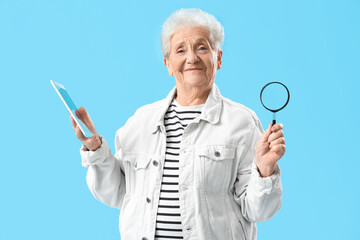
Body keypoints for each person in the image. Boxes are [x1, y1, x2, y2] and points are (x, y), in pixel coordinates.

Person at [70, 8, 285, 240]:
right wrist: (95, 148)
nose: (191, 58)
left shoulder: (241, 122)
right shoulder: (140, 122)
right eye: (180, 50)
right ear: (168, 64)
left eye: (202, 48)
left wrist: (264, 170)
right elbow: (115, 193)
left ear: (218, 58)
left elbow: (259, 211)